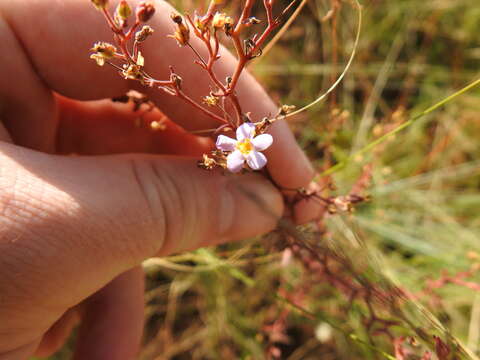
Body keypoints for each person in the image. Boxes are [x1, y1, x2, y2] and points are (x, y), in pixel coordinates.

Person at [0, 0, 318, 359]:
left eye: (245, 143)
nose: (244, 143)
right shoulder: (239, 144)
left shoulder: (243, 142)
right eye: (243, 143)